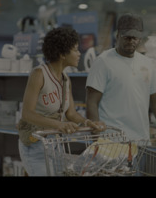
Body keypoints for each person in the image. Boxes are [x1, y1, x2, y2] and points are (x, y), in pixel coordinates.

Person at [18, 27, 106, 176]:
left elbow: (71, 113)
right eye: (75, 50)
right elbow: (27, 113)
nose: (79, 54)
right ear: (62, 54)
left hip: (55, 144)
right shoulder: (39, 74)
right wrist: (60, 124)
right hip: (34, 144)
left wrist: (87, 123)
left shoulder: (65, 79)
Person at [85, 13, 156, 155]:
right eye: (126, 37)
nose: (131, 41)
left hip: (140, 142)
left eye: (135, 37)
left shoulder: (146, 63)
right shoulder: (103, 62)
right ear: (118, 36)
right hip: (111, 142)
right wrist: (97, 139)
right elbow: (91, 102)